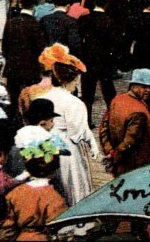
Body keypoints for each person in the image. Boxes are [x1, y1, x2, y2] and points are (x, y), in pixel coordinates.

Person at [39, 48, 99, 206]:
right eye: (76, 80)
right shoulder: (74, 102)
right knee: (72, 185)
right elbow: (76, 133)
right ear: (70, 80)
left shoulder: (43, 97)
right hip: (67, 147)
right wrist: (91, 142)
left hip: (45, 144)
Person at [2, 127, 68, 240]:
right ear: (52, 171)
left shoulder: (15, 193)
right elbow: (60, 230)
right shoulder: (54, 198)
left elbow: (7, 225)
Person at [100, 69, 150, 177]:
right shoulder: (139, 112)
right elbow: (129, 141)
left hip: (119, 165)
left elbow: (103, 128)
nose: (148, 90)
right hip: (135, 166)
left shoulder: (117, 100)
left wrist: (109, 151)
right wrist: (114, 155)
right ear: (133, 86)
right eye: (144, 87)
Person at [1, 0, 45, 118]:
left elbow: (5, 47)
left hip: (13, 67)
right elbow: (39, 48)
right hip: (30, 67)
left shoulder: (11, 22)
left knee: (13, 100)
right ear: (34, 5)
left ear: (21, 4)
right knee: (30, 100)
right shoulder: (35, 24)